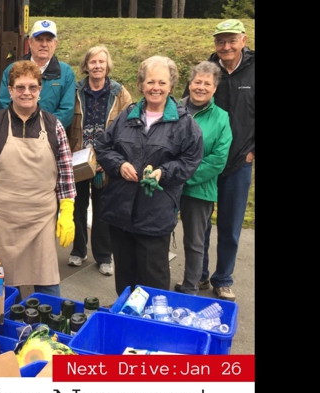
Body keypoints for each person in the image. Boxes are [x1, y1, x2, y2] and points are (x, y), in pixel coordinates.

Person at [0, 60, 76, 298]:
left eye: (33, 87)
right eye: (20, 87)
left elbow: (66, 177)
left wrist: (67, 213)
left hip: (41, 218)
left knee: (47, 283)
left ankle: (49, 331)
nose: (27, 93)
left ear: (40, 90)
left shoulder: (54, 125)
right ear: (11, 89)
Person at [95, 55, 203, 296]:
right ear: (141, 85)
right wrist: (119, 164)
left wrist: (163, 173)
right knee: (125, 276)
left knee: (153, 278)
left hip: (156, 212)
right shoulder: (127, 115)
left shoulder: (185, 123)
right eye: (150, 82)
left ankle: (153, 325)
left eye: (162, 83)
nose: (156, 87)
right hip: (120, 209)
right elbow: (103, 146)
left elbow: (190, 160)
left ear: (171, 86)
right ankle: (126, 318)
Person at [184, 19, 255, 301]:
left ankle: (223, 278)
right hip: (203, 163)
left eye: (231, 40)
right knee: (200, 224)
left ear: (243, 40)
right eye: (220, 41)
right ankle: (198, 274)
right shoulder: (208, 71)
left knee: (230, 223)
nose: (225, 46)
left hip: (238, 162)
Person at [66, 45, 132, 276]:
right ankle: (78, 250)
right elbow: (65, 122)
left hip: (106, 161)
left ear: (107, 66)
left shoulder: (119, 93)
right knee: (77, 206)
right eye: (92, 62)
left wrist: (113, 157)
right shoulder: (74, 91)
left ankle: (104, 256)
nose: (97, 66)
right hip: (78, 159)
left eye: (101, 62)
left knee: (104, 209)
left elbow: (128, 127)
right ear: (86, 65)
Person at [174, 61, 232, 295]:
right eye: (197, 81)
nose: (201, 87)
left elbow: (218, 159)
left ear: (215, 88)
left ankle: (190, 288)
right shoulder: (173, 108)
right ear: (190, 83)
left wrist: (181, 176)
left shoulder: (221, 118)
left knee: (195, 242)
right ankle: (155, 282)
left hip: (199, 189)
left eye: (207, 83)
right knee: (156, 235)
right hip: (166, 185)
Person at [0, 19, 75, 129]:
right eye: (39, 39)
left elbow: (66, 111)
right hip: (16, 134)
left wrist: (42, 127)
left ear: (55, 44)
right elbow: (4, 105)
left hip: (51, 136)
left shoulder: (66, 73)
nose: (44, 44)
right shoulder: (12, 70)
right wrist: (23, 127)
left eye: (49, 40)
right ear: (30, 42)